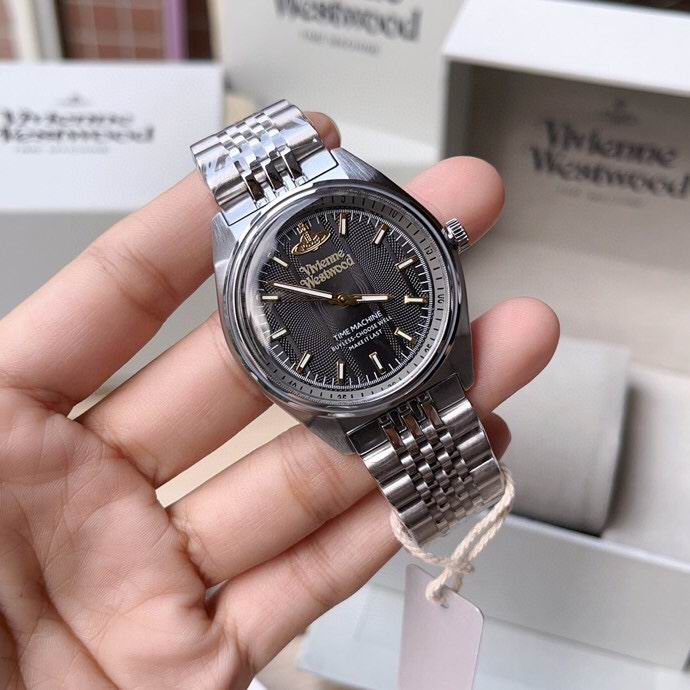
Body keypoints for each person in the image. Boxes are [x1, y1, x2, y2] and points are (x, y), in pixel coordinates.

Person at [0, 113, 559, 688]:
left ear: (447, 240)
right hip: (362, 386)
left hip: (416, 362)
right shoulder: (254, 309)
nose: (342, 299)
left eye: (344, 294)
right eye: (327, 297)